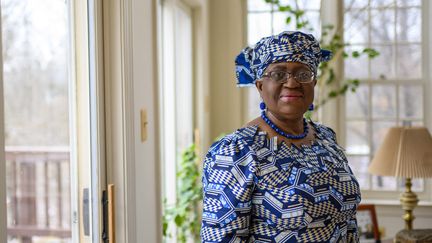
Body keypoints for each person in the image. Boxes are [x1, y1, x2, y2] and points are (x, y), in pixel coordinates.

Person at [200, 31, 361, 242]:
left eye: (303, 74)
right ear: (260, 86)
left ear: (313, 84)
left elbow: (348, 223)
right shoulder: (236, 152)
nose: (292, 83)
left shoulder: (326, 138)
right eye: (278, 74)